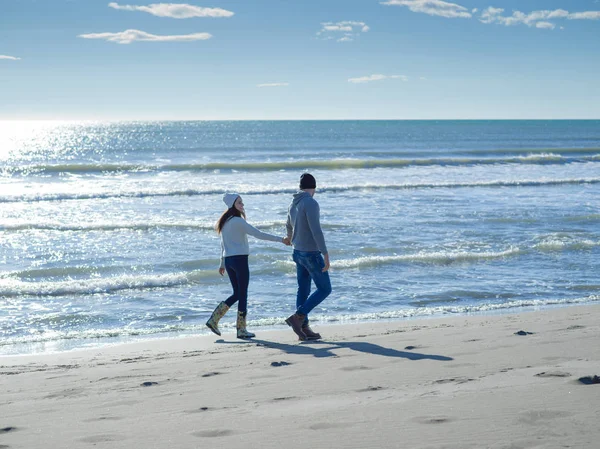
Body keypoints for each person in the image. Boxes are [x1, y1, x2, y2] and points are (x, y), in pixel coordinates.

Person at [206, 193, 289, 339]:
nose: (242, 205)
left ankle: (214, 320)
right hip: (239, 260)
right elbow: (258, 234)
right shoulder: (238, 221)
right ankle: (241, 329)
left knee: (237, 293)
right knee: (242, 294)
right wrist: (281, 240)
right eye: (239, 203)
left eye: (242, 203)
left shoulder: (225, 222)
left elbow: (222, 245)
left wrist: (222, 263)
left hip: (230, 261)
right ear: (232, 205)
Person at [284, 173, 331, 341]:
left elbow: (288, 224)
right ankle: (298, 317)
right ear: (314, 188)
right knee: (325, 289)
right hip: (311, 253)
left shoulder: (293, 203)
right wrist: (325, 253)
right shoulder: (310, 203)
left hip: (297, 252)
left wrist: (290, 238)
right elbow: (316, 230)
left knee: (303, 290)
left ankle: (303, 329)